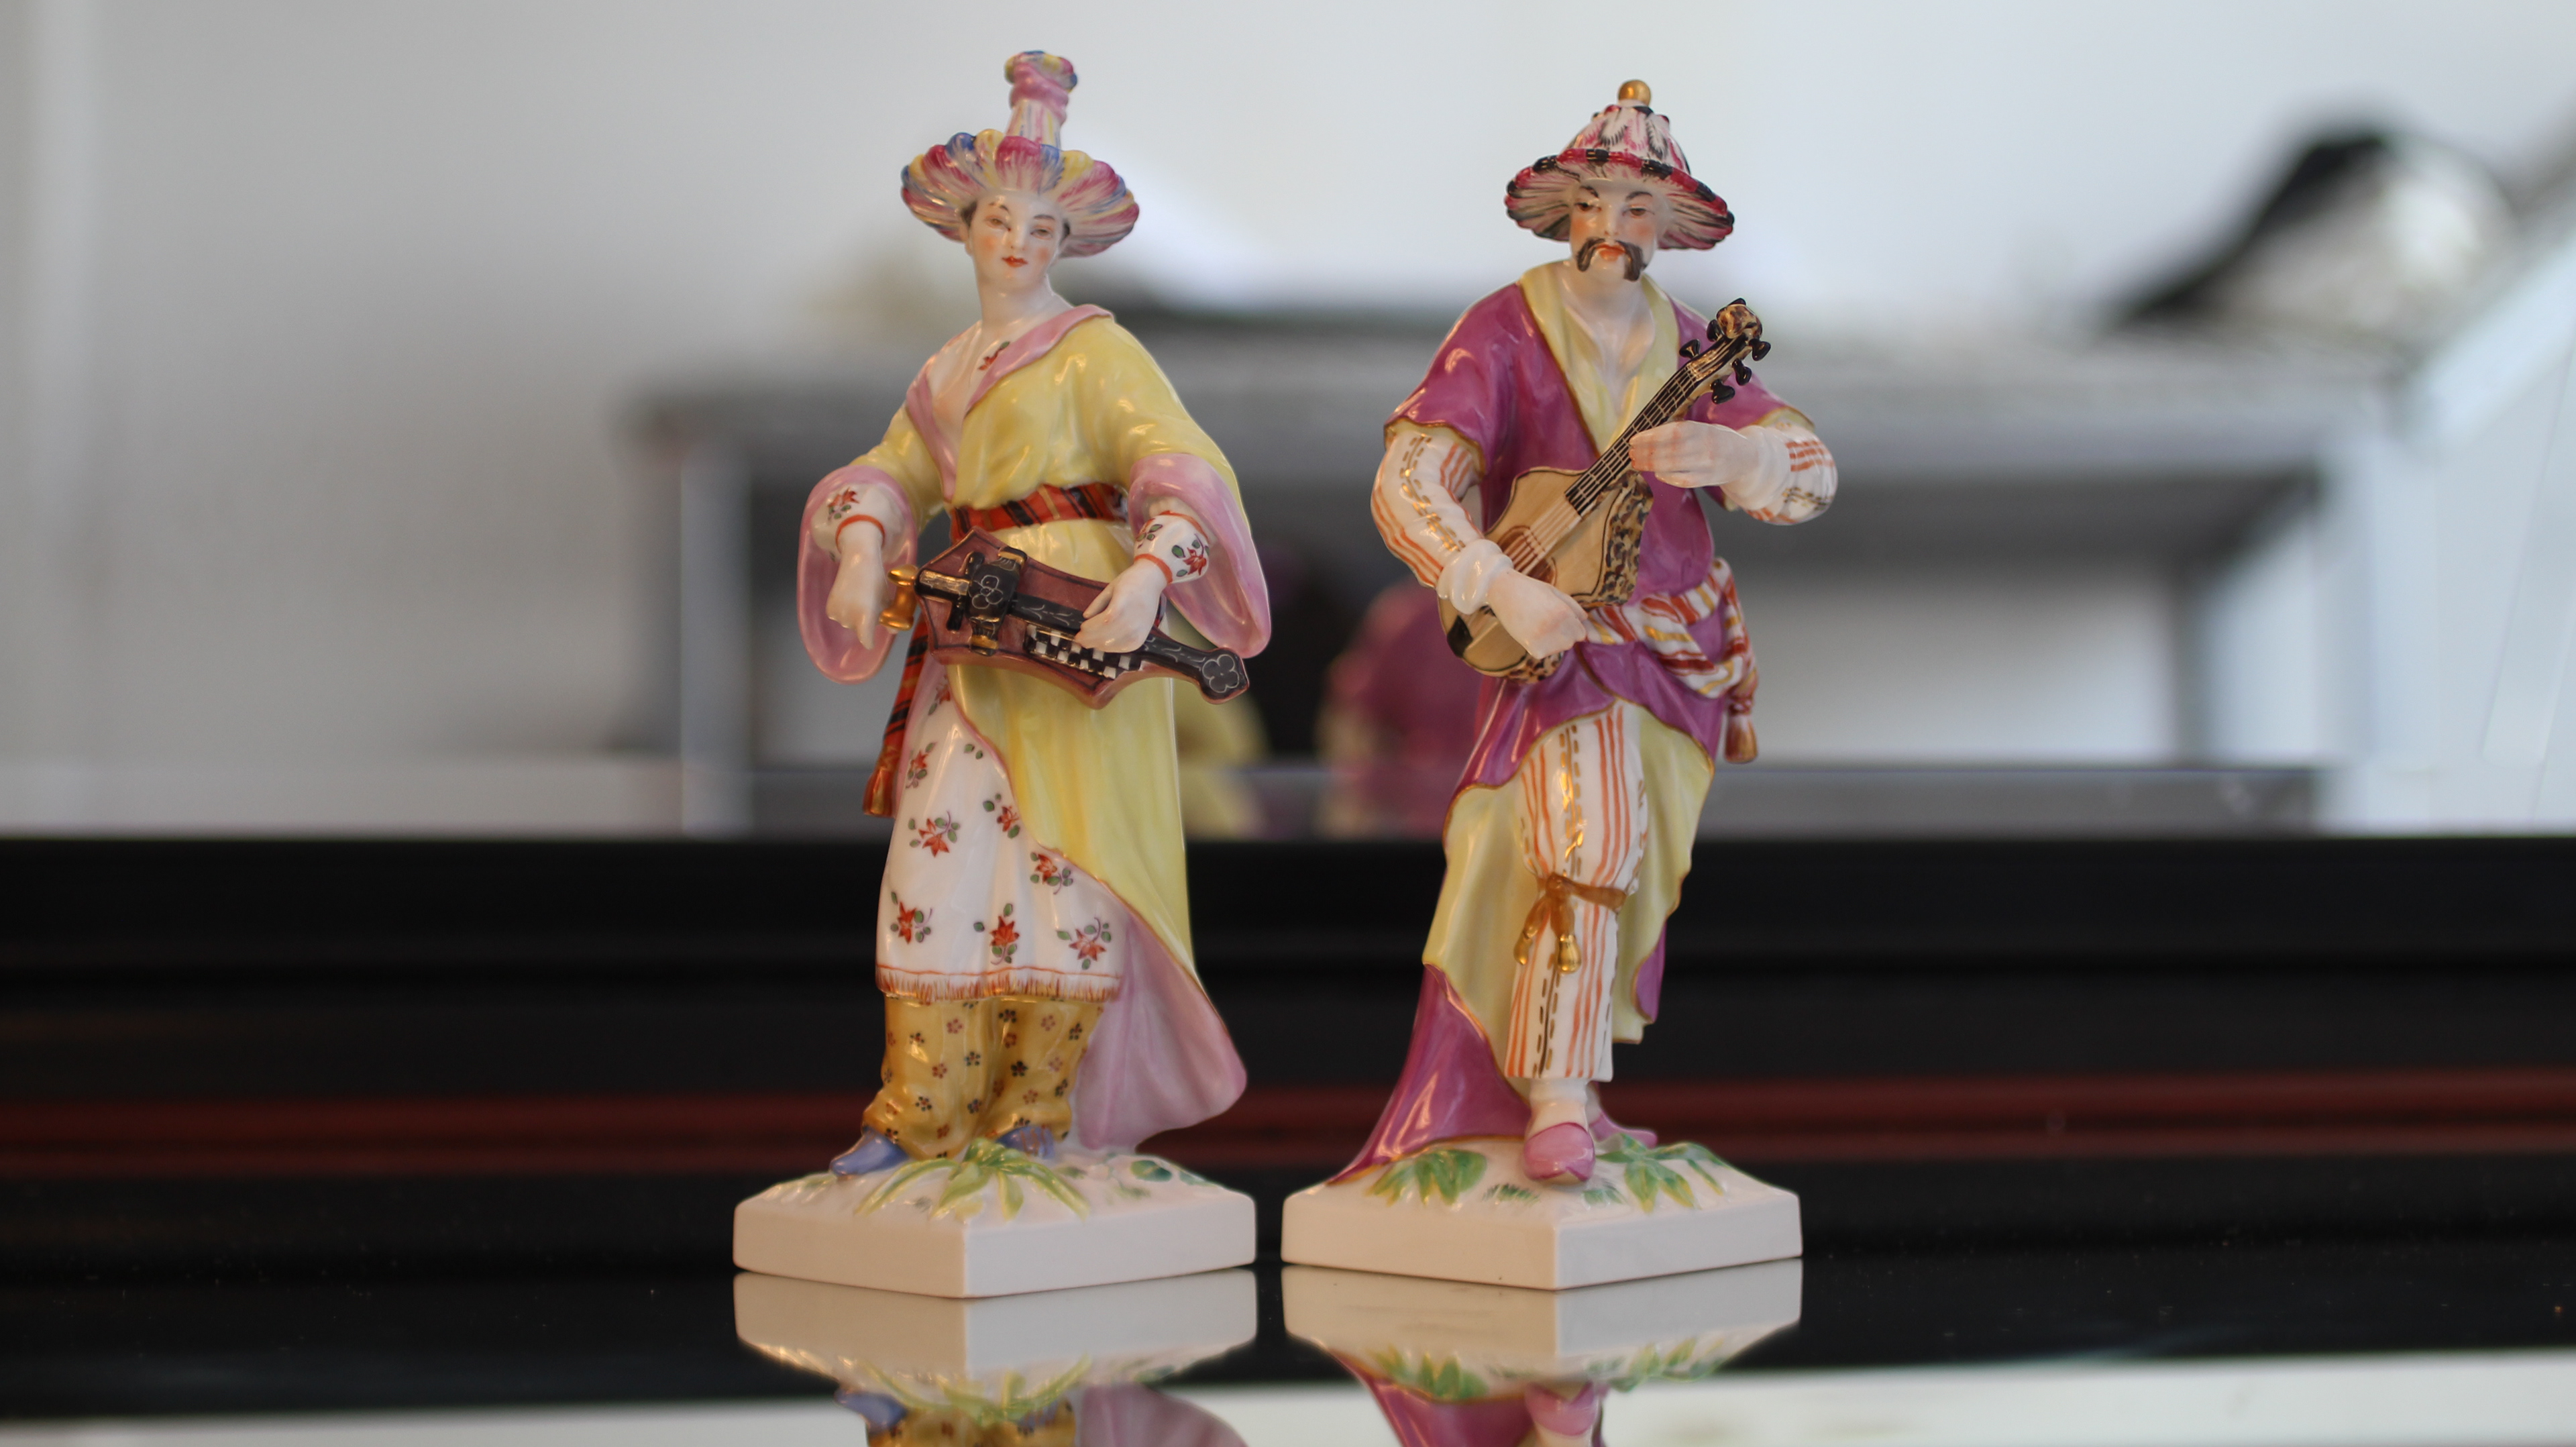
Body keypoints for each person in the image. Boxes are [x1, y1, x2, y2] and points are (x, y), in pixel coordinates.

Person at [1353, 81, 1836, 1187]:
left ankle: (1573, 1087)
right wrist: (1491, 579)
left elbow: (1812, 470)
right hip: (1563, 648)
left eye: (1638, 207)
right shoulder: (1503, 329)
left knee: (1638, 870)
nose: (1613, 226)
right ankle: (1558, 1101)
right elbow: (1409, 479)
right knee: (1589, 848)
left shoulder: (1696, 343)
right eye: (1596, 202)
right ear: (1565, 210)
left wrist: (1744, 457)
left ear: (1671, 226)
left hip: (1677, 653)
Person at [796, 53, 1269, 1175]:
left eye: (1042, 226)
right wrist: (861, 541)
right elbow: (895, 470)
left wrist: (1148, 575)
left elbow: (1179, 466)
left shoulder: (1098, 352)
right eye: (1000, 220)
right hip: (970, 636)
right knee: (938, 858)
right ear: (964, 229)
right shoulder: (945, 370)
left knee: (1062, 868)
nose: (1018, 240)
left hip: (1074, 635)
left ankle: (1037, 1104)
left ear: (1065, 243)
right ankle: (921, 1106)